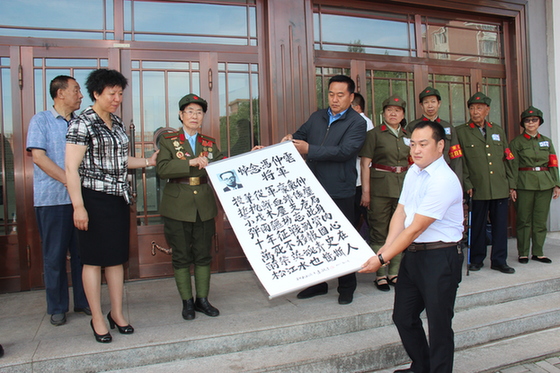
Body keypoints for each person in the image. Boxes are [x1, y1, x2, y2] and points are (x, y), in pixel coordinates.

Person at [360, 120, 464, 373]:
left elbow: (416, 227)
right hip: (414, 256)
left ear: (440, 146)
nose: (416, 150)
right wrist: (385, 247)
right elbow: (401, 211)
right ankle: (422, 366)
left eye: (423, 144)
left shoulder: (444, 180)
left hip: (441, 257)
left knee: (439, 325)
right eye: (413, 144)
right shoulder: (414, 172)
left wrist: (382, 259)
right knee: (403, 317)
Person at [66, 69, 158, 343]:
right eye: (112, 93)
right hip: (92, 200)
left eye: (120, 93)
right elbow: (71, 168)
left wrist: (147, 162)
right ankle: (97, 318)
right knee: (93, 261)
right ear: (96, 93)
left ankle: (116, 314)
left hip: (118, 199)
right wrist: (78, 207)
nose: (117, 98)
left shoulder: (116, 123)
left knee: (116, 260)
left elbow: (120, 161)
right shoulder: (82, 124)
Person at [281, 75, 366, 305]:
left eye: (340, 95)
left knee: (342, 240)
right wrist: (291, 139)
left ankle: (346, 286)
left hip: (340, 189)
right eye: (331, 94)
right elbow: (300, 135)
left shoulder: (357, 123)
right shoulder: (317, 116)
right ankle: (318, 283)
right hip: (312, 189)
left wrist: (310, 150)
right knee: (314, 239)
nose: (335, 99)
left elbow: (345, 152)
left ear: (351, 97)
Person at [26, 75, 90, 326]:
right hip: (52, 200)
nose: (80, 95)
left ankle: (84, 301)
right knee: (54, 255)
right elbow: (39, 158)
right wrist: (69, 180)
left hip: (82, 201)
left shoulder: (82, 122)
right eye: (76, 90)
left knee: (82, 253)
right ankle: (57, 306)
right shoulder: (40, 120)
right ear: (60, 93)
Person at [157, 93, 224, 320]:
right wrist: (190, 162)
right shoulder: (168, 141)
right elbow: (162, 169)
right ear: (181, 115)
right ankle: (187, 302)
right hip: (177, 206)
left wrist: (251, 157)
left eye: (199, 112)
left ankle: (202, 300)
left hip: (204, 205)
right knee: (182, 256)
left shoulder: (210, 143)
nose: (194, 116)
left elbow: (225, 167)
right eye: (190, 112)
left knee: (203, 255)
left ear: (203, 116)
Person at [456, 92, 515, 274]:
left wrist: (511, 184)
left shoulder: (497, 130)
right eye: (472, 108)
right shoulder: (462, 132)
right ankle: (476, 259)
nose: (475, 111)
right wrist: (467, 183)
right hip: (477, 186)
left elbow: (507, 157)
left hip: (499, 186)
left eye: (479, 108)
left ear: (487, 110)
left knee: (499, 226)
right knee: (478, 225)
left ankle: (499, 260)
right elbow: (461, 161)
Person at [359, 94, 410, 291]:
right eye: (389, 110)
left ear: (403, 114)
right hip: (379, 188)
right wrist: (366, 192)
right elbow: (365, 164)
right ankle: (380, 273)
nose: (393, 114)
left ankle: (394, 272)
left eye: (397, 111)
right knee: (379, 231)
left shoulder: (408, 136)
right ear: (383, 113)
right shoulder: (374, 134)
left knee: (399, 232)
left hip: (402, 188)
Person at [509, 106, 560, 264]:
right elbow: (512, 165)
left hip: (545, 183)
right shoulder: (517, 142)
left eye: (534, 120)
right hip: (524, 183)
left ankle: (538, 252)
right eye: (527, 120)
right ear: (523, 123)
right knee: (524, 220)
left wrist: (557, 184)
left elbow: (553, 162)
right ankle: (523, 253)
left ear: (539, 122)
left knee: (540, 220)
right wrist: (512, 186)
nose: (530, 123)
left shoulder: (546, 141)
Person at [405, 86, 463, 180]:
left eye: (433, 101)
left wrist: (458, 180)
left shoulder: (448, 127)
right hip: (422, 174)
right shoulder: (413, 127)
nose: (430, 105)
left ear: (439, 103)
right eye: (426, 102)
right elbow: (410, 155)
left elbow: (456, 156)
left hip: (445, 173)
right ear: (421, 105)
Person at [351, 93, 374, 234]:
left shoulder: (362, 121)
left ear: (357, 107)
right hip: (355, 180)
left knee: (366, 219)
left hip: (360, 180)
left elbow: (363, 152)